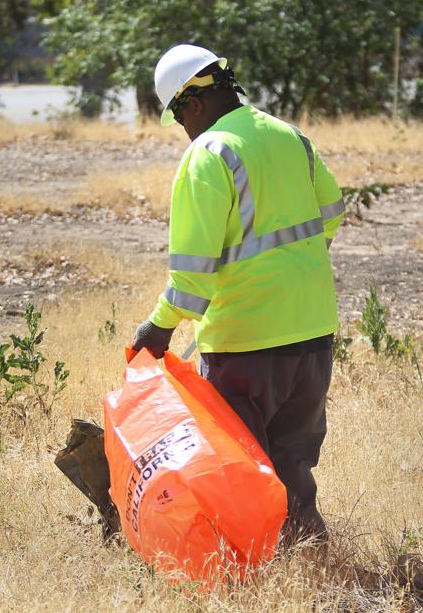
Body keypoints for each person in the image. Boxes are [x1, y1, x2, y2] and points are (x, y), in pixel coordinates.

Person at [130, 44, 345, 541]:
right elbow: (332, 211)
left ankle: (254, 564)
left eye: (179, 117)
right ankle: (307, 551)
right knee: (292, 461)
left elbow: (193, 274)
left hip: (246, 341)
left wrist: (158, 328)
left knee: (243, 466)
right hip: (313, 331)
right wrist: (292, 268)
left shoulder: (209, 154)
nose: (183, 129)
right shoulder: (290, 136)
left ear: (193, 104)